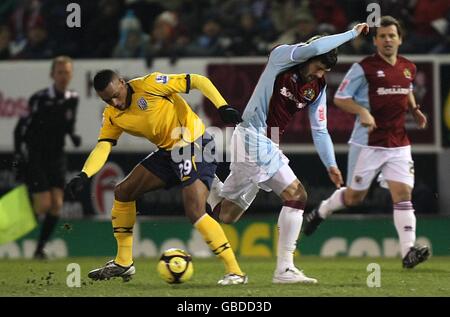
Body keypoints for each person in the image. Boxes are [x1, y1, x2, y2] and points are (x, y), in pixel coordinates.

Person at [206, 23, 370, 284]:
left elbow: (320, 128)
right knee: (296, 195)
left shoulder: (317, 87)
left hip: (261, 140)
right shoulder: (282, 57)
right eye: (318, 67)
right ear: (308, 57)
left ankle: (208, 183)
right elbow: (315, 46)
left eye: (324, 71)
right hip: (252, 133)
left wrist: (330, 164)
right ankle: (284, 270)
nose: (318, 74)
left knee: (227, 215)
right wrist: (353, 33)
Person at [65, 69, 247, 285]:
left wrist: (222, 106)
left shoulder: (151, 84)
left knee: (195, 210)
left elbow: (198, 80)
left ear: (122, 83)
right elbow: (103, 146)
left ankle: (235, 272)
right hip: (168, 152)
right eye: (107, 100)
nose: (114, 102)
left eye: (116, 95)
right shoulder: (112, 115)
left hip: (194, 144)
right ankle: (124, 262)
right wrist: (85, 174)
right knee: (123, 192)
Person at [302, 16, 430, 269]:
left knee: (403, 194)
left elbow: (407, 88)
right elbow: (340, 97)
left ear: (400, 39)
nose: (387, 40)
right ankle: (322, 211)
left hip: (398, 143)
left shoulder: (408, 67)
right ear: (375, 41)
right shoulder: (364, 68)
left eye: (392, 35)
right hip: (368, 143)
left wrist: (414, 109)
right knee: (354, 198)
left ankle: (408, 253)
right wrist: (362, 112)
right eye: (382, 36)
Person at [13, 56, 81, 259]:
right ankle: (19, 212)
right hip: (36, 155)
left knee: (57, 204)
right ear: (52, 74)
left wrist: (72, 135)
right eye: (60, 72)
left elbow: (68, 123)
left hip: (57, 155)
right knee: (43, 204)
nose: (63, 76)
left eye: (67, 72)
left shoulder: (73, 97)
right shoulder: (39, 98)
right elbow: (21, 127)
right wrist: (19, 153)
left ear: (71, 75)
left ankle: (39, 249)